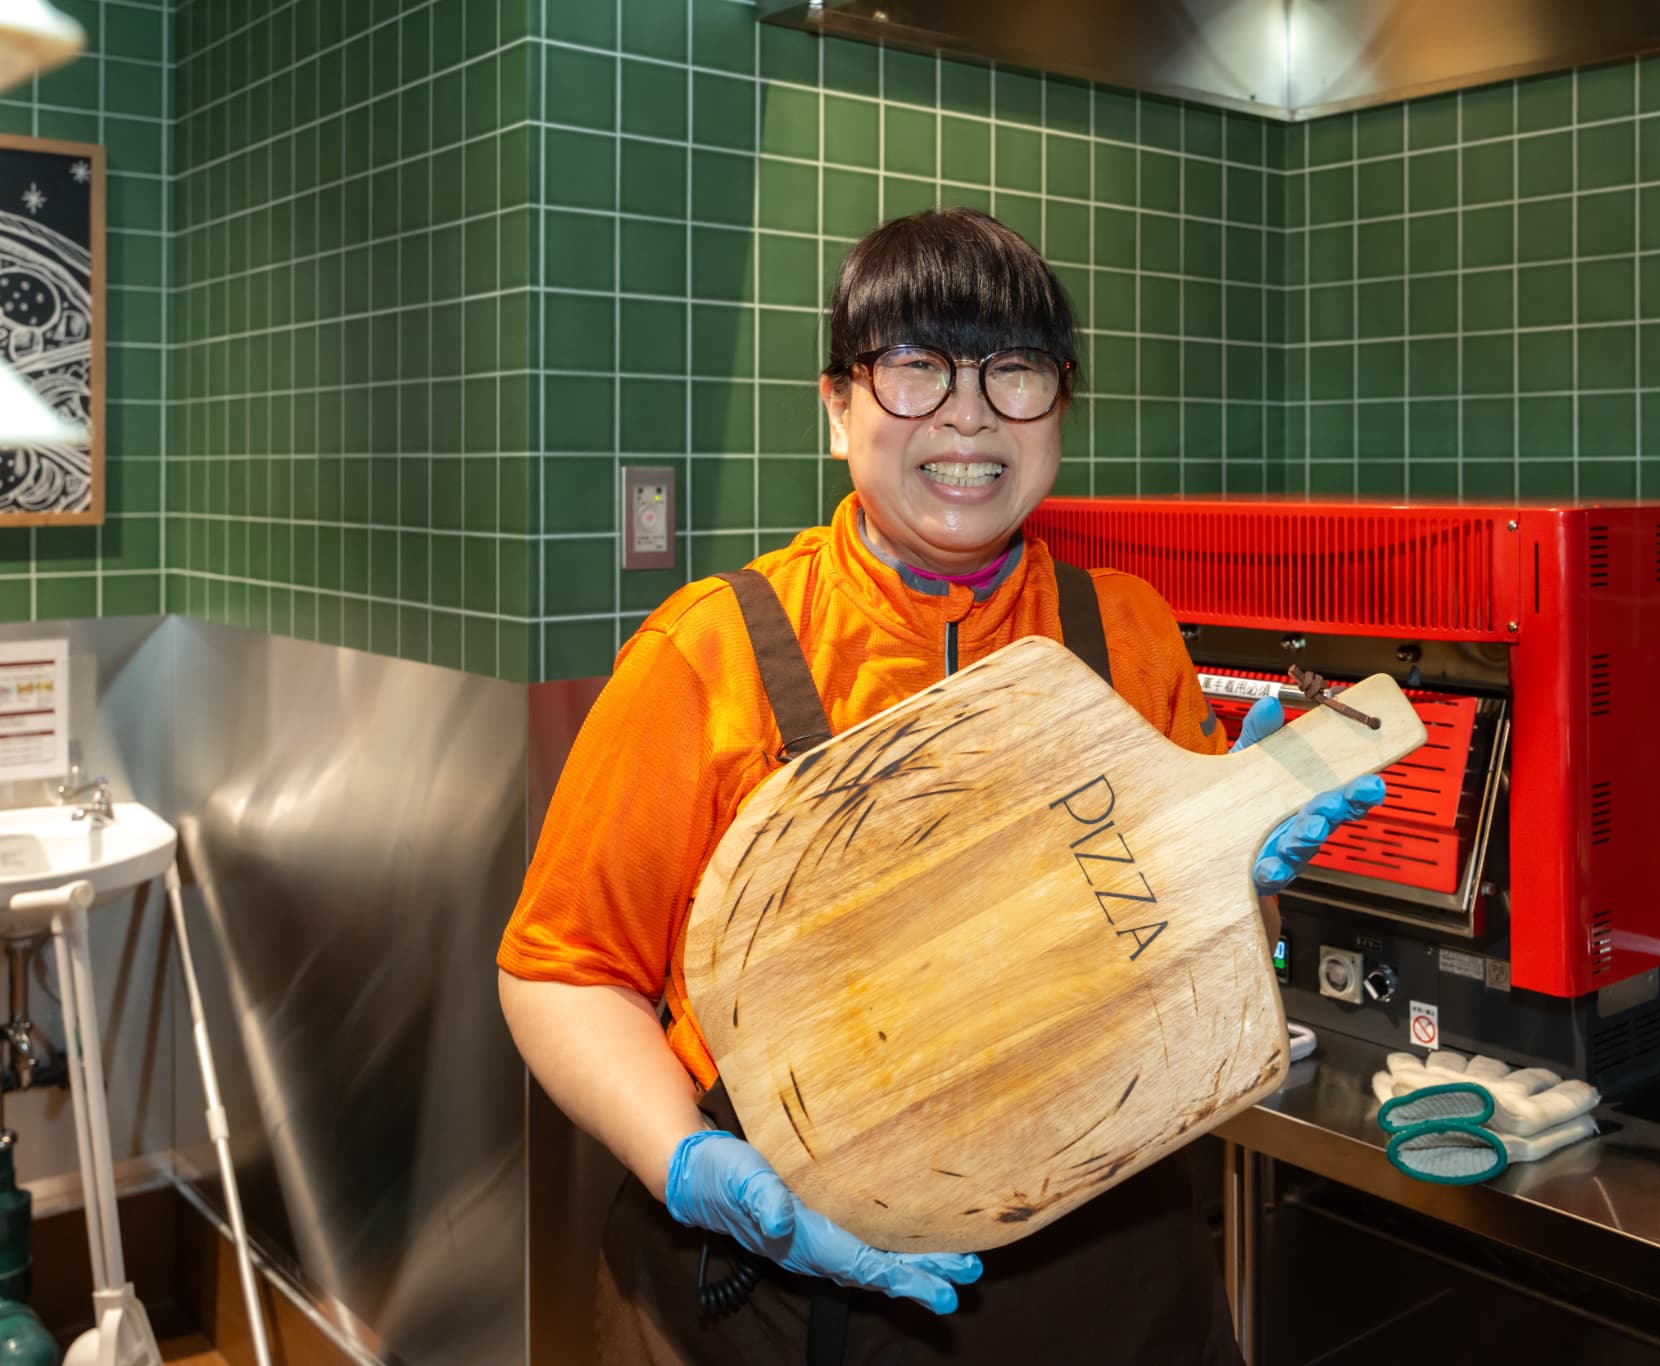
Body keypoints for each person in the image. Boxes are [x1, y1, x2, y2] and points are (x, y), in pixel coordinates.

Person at [496, 207, 1384, 1365]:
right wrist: (685, 1159)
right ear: (836, 408)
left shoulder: (1128, 634)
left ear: (1058, 411)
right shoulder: (710, 652)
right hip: (782, 1303)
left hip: (1117, 1284)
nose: (968, 414)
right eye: (916, 366)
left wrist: (1237, 874)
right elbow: (560, 972)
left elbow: (1193, 964)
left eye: (1014, 370)